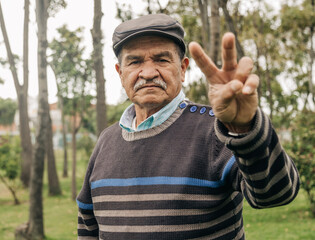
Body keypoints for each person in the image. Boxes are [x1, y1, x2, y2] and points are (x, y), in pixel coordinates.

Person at [76, 14, 299, 239]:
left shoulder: (216, 130)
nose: (149, 72)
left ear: (183, 69)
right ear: (120, 73)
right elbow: (87, 226)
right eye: (135, 62)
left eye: (162, 60)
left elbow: (275, 194)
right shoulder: (107, 140)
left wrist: (243, 129)